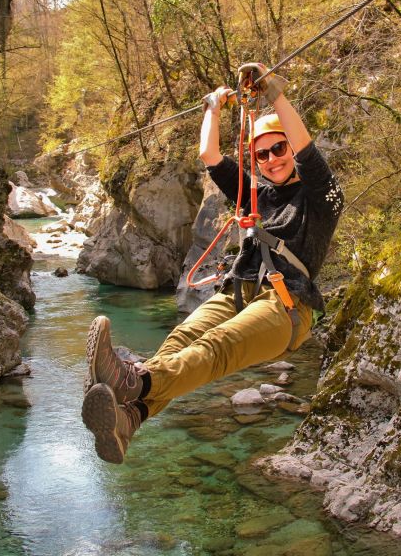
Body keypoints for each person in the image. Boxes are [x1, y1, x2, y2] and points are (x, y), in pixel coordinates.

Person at [81, 63, 344, 464]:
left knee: (214, 347)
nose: (271, 158)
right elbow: (210, 155)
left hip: (285, 305)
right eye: (262, 154)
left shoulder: (321, 199)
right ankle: (130, 418)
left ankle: (132, 382)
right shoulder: (257, 195)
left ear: (290, 147)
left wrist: (273, 93)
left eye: (279, 148)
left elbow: (308, 152)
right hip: (239, 293)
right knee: (178, 343)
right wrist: (213, 108)